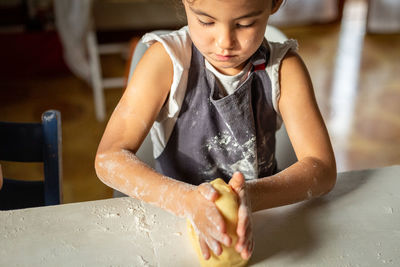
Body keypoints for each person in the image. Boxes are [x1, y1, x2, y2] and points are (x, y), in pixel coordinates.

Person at [95, 0, 336, 261]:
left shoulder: (284, 69)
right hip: (171, 222)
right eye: (206, 21)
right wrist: (187, 200)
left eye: (245, 24)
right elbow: (108, 158)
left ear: (274, 4)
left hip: (259, 220)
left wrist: (250, 197)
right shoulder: (168, 63)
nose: (225, 42)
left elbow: (322, 168)